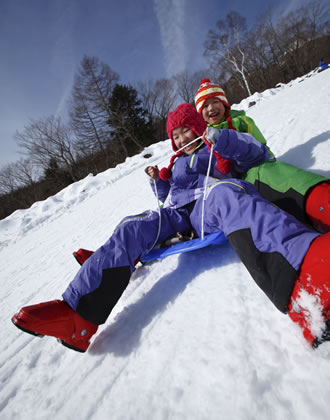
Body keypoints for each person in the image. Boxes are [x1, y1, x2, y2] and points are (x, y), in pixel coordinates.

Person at [12, 103, 330, 353]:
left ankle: (303, 279)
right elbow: (168, 198)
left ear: (197, 127)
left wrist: (224, 141)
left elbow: (257, 155)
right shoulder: (175, 163)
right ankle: (79, 317)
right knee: (133, 225)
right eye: (175, 135)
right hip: (178, 214)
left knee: (226, 193)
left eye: (185, 131)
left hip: (210, 207)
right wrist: (158, 183)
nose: (180, 139)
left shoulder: (215, 144)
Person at [194, 78, 330, 233]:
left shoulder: (241, 121)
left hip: (256, 169)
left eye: (215, 102)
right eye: (205, 105)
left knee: (281, 179)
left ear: (224, 104)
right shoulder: (201, 139)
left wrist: (225, 140)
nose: (211, 108)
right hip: (234, 188)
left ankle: (322, 201)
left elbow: (260, 148)